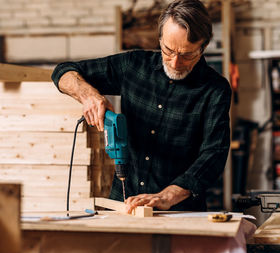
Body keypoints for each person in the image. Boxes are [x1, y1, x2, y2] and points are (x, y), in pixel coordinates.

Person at [51, 0, 231, 213]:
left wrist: (167, 195)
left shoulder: (215, 89)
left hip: (179, 210)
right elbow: (62, 72)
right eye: (168, 50)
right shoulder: (133, 65)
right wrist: (88, 95)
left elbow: (214, 153)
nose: (175, 63)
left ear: (204, 46)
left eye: (187, 54)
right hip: (122, 202)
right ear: (160, 38)